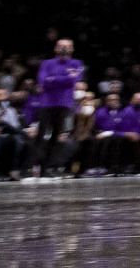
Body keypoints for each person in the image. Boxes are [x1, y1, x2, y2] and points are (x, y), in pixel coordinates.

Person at [29, 37, 83, 179]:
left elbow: (74, 81)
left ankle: (48, 168)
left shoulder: (77, 63)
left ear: (72, 49)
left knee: (56, 137)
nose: (64, 48)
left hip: (64, 104)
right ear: (56, 48)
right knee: (40, 136)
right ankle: (33, 166)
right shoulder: (46, 63)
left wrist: (54, 79)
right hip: (46, 103)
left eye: (67, 46)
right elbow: (43, 81)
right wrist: (64, 78)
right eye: (61, 46)